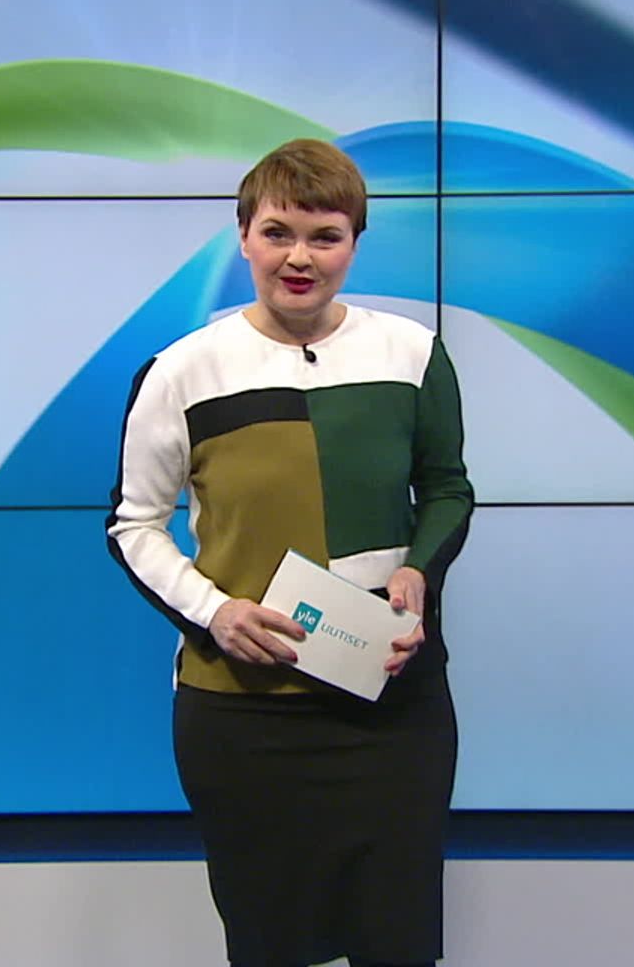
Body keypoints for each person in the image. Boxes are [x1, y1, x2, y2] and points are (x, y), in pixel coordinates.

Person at [107, 138, 473, 967]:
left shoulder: (412, 353)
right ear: (243, 237)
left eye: (324, 236)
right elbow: (134, 525)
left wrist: (418, 571)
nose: (299, 258)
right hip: (246, 711)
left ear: (354, 244)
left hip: (391, 703)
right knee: (271, 947)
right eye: (278, 233)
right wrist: (216, 613)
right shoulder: (182, 371)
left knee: (398, 944)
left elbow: (447, 487)